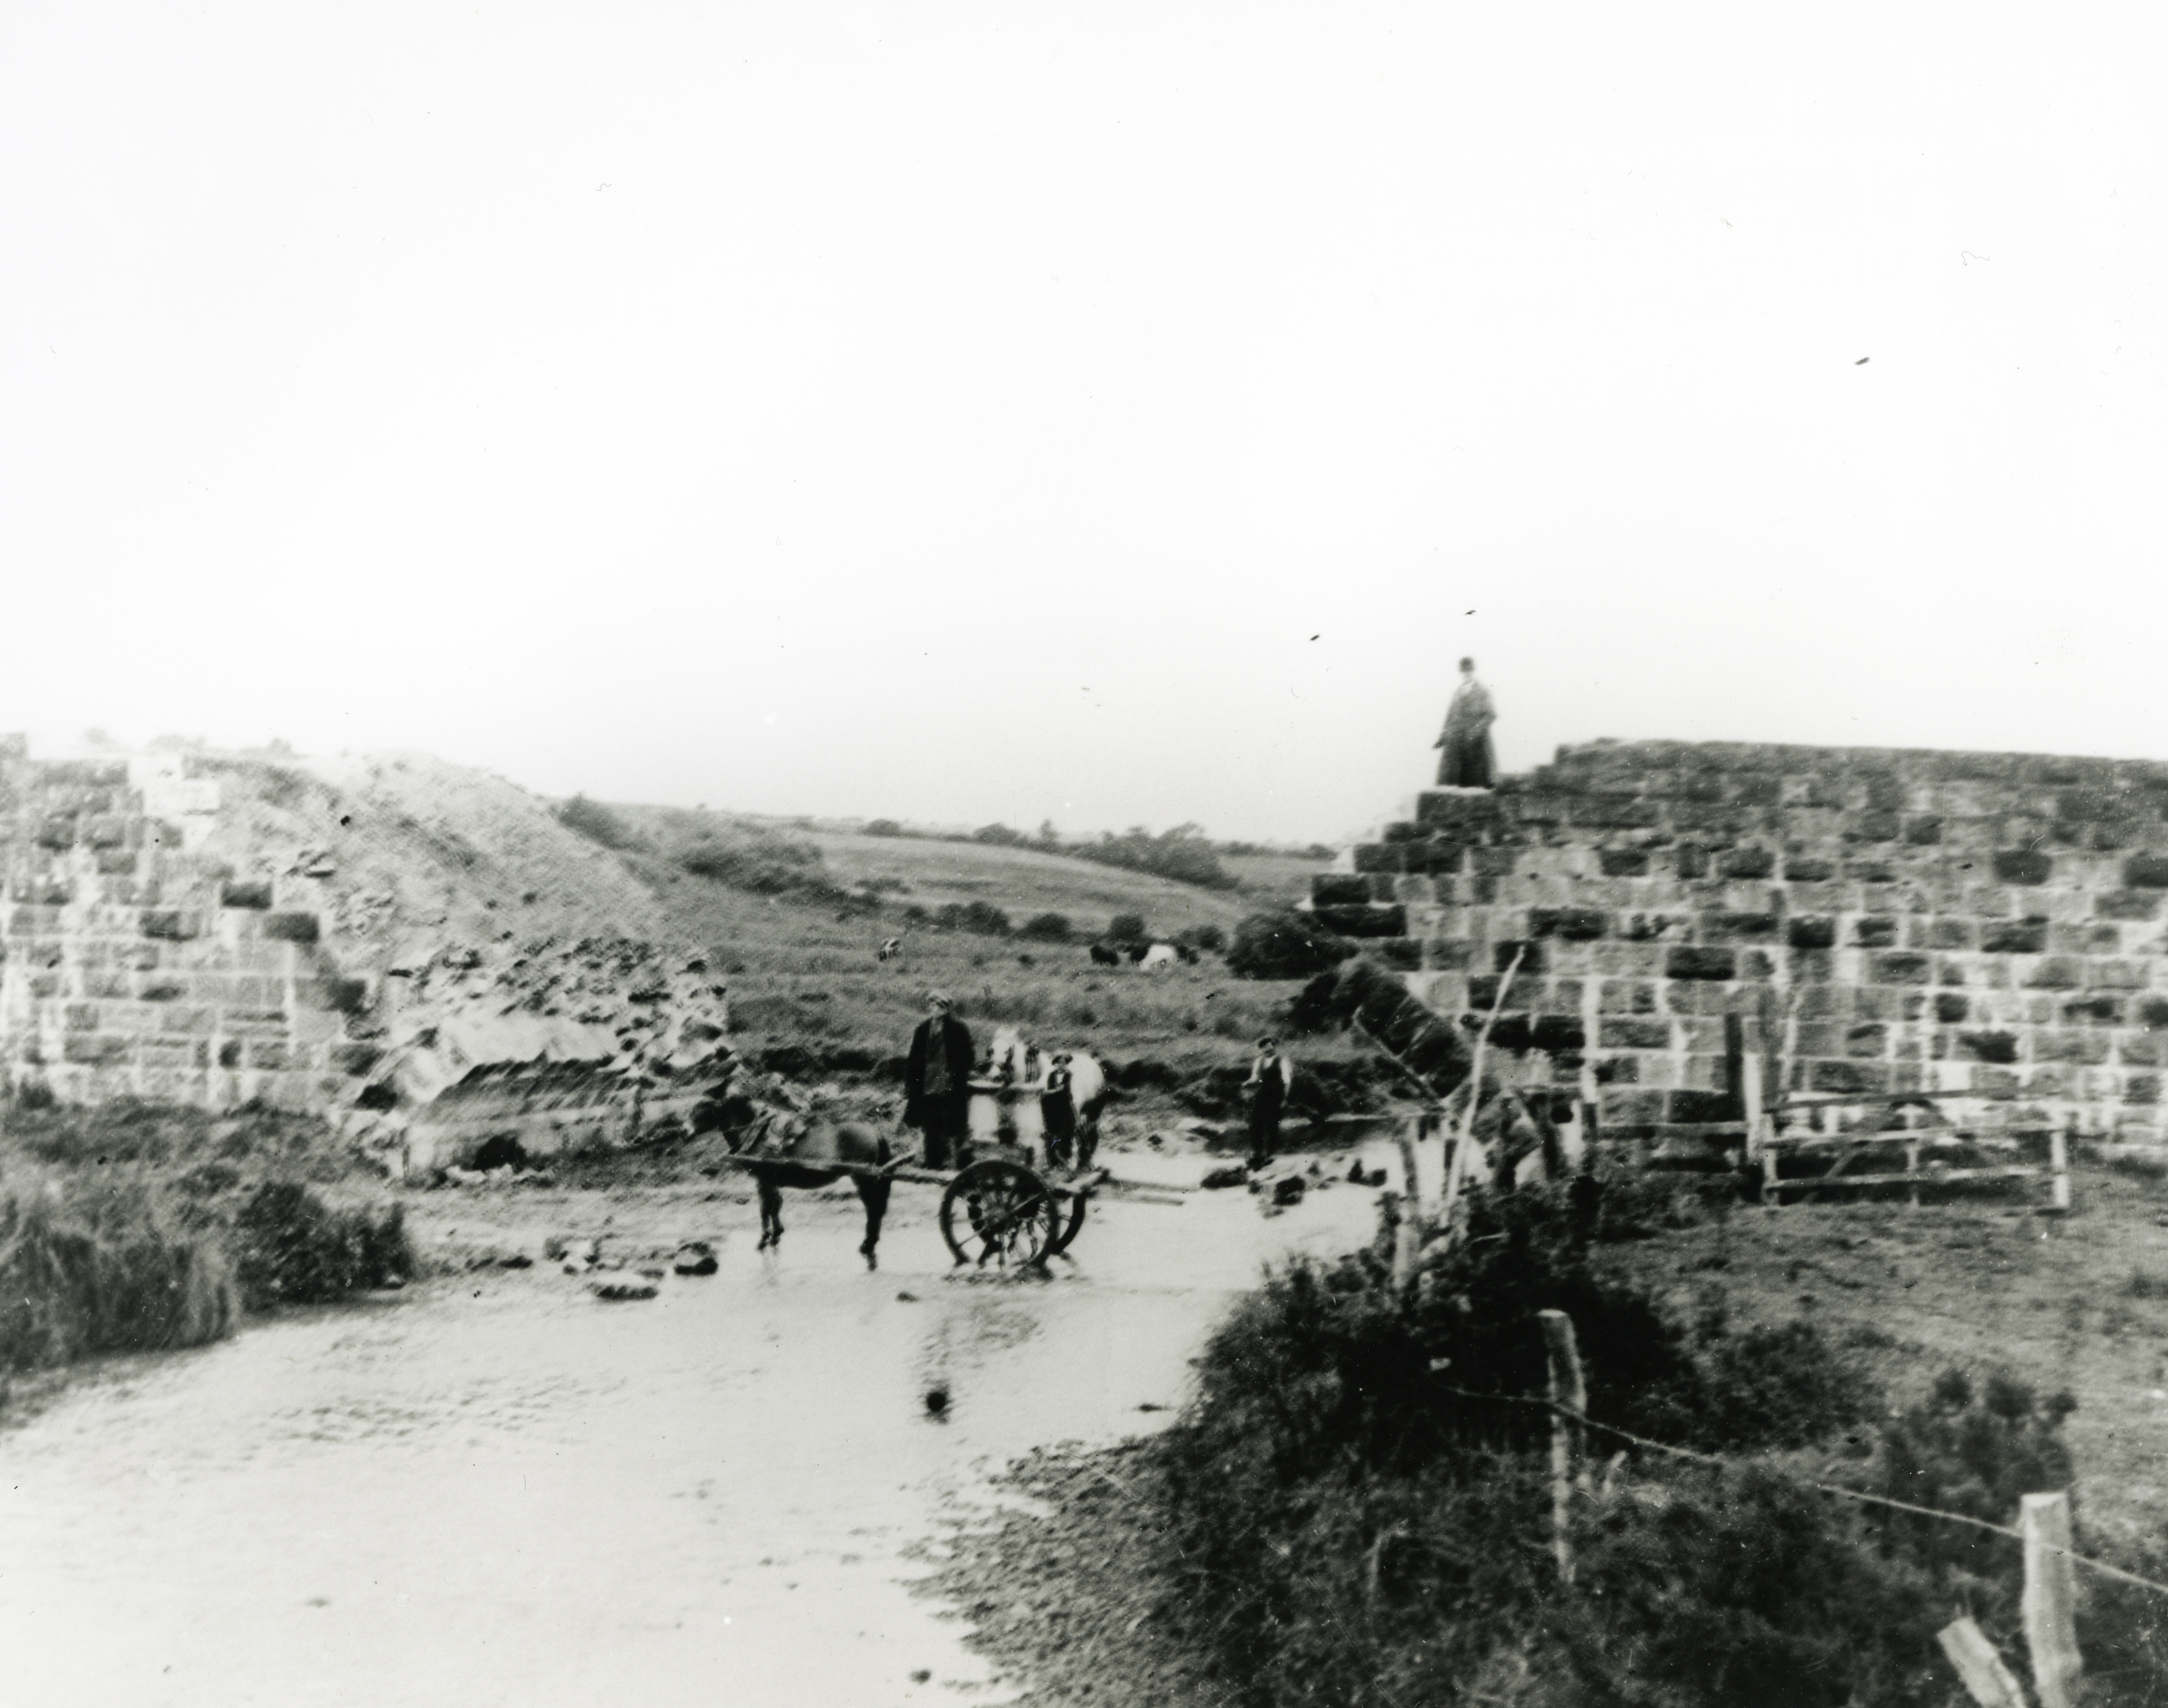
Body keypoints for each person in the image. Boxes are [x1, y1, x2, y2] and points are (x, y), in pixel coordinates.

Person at [904, 991, 976, 1169]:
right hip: (927, 1084)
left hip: (948, 1086)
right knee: (930, 1126)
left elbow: (968, 1057)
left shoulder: (958, 1030)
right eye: (932, 1005)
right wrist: (911, 1083)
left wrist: (955, 1074)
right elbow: (914, 1059)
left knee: (953, 1126)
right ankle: (933, 1163)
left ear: (946, 1009)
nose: (934, 1009)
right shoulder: (922, 1030)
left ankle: (960, 1164)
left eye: (938, 1006)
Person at [1433, 657, 1497, 788]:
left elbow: (1491, 715)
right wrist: (1443, 737)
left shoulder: (1483, 691)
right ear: (1461, 673)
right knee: (1453, 783)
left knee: (1477, 783)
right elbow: (1450, 717)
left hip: (1477, 745)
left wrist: (1476, 731)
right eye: (1464, 671)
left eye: (1469, 671)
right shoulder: (1457, 693)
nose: (1467, 674)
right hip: (1457, 744)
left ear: (1474, 671)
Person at [1245, 1036, 1292, 1170]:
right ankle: (1257, 1154)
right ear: (1261, 1049)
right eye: (1265, 1047)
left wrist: (1285, 1099)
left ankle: (1270, 1155)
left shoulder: (1282, 1061)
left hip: (1277, 1097)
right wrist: (1247, 1083)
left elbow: (1287, 1081)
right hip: (1261, 1096)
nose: (1268, 1049)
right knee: (1255, 1124)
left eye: (1270, 1046)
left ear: (1274, 1047)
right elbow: (1255, 1078)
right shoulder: (1258, 1062)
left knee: (1272, 1126)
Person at [1041, 1052, 1077, 1171]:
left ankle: (1066, 1159)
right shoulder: (1052, 1075)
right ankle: (1053, 1161)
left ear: (1067, 1064)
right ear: (1056, 1064)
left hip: (1065, 1110)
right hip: (1053, 1111)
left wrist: (1050, 1092)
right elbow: (1049, 1087)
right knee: (1052, 1135)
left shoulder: (1069, 1075)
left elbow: (1063, 1089)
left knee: (1066, 1134)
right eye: (1059, 1063)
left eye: (1064, 1063)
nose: (1061, 1065)